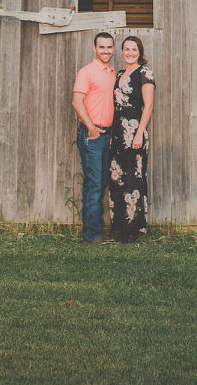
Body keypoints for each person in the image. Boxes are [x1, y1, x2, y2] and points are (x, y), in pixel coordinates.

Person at [108, 34, 155, 243]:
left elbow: (149, 106)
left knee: (132, 178)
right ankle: (119, 225)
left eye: (134, 49)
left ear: (140, 52)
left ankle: (133, 228)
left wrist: (138, 134)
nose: (129, 52)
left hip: (134, 131)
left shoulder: (144, 73)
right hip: (117, 133)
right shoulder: (119, 74)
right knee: (117, 177)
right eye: (126, 49)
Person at [72, 31, 116, 243]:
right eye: (102, 47)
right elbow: (77, 102)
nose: (106, 51)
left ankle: (95, 228)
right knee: (94, 184)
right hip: (93, 135)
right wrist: (91, 128)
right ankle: (92, 234)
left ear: (113, 49)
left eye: (109, 47)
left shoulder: (112, 73)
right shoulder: (87, 72)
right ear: (94, 49)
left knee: (102, 182)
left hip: (108, 135)